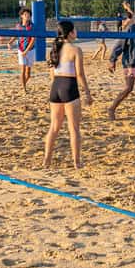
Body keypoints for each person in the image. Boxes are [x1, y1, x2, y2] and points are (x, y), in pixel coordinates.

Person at [44, 20, 93, 169]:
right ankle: (77, 162)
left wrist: (57, 87)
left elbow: (51, 73)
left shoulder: (53, 49)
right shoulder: (75, 50)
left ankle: (46, 161)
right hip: (69, 86)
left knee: (54, 127)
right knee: (74, 129)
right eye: (75, 30)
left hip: (56, 87)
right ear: (71, 32)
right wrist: (88, 94)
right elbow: (80, 74)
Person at [16, 7, 36, 94]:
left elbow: (33, 40)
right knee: (23, 70)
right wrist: (10, 42)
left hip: (30, 50)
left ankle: (22, 85)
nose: (27, 16)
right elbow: (15, 35)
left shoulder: (32, 26)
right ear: (21, 16)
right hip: (21, 50)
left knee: (28, 74)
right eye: (25, 15)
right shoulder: (18, 26)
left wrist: (26, 51)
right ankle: (24, 89)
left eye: (29, 15)